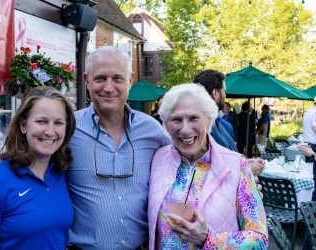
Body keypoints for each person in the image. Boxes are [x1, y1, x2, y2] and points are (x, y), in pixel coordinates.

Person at [66, 46, 171, 249]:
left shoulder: (151, 130)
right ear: (86, 80)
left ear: (130, 79)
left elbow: (183, 163)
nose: (108, 87)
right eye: (100, 79)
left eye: (117, 78)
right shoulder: (69, 129)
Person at [148, 83, 268, 249]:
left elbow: (260, 239)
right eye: (176, 119)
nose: (185, 129)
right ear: (166, 124)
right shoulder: (157, 159)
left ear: (209, 120)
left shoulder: (236, 165)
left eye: (193, 118)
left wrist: (208, 239)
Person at [0, 87, 76, 249]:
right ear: (23, 126)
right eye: (41, 121)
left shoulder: (61, 174)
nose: (49, 131)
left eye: (58, 123)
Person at [193, 70, 264, 177]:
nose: (225, 95)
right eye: (224, 91)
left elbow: (225, 159)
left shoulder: (217, 122)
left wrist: (246, 162)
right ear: (215, 93)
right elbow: (202, 171)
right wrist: (245, 170)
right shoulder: (198, 127)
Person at [302, 97, 316, 162]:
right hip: (313, 144)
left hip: (307, 142)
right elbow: (314, 127)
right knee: (312, 168)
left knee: (309, 167)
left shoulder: (309, 111)